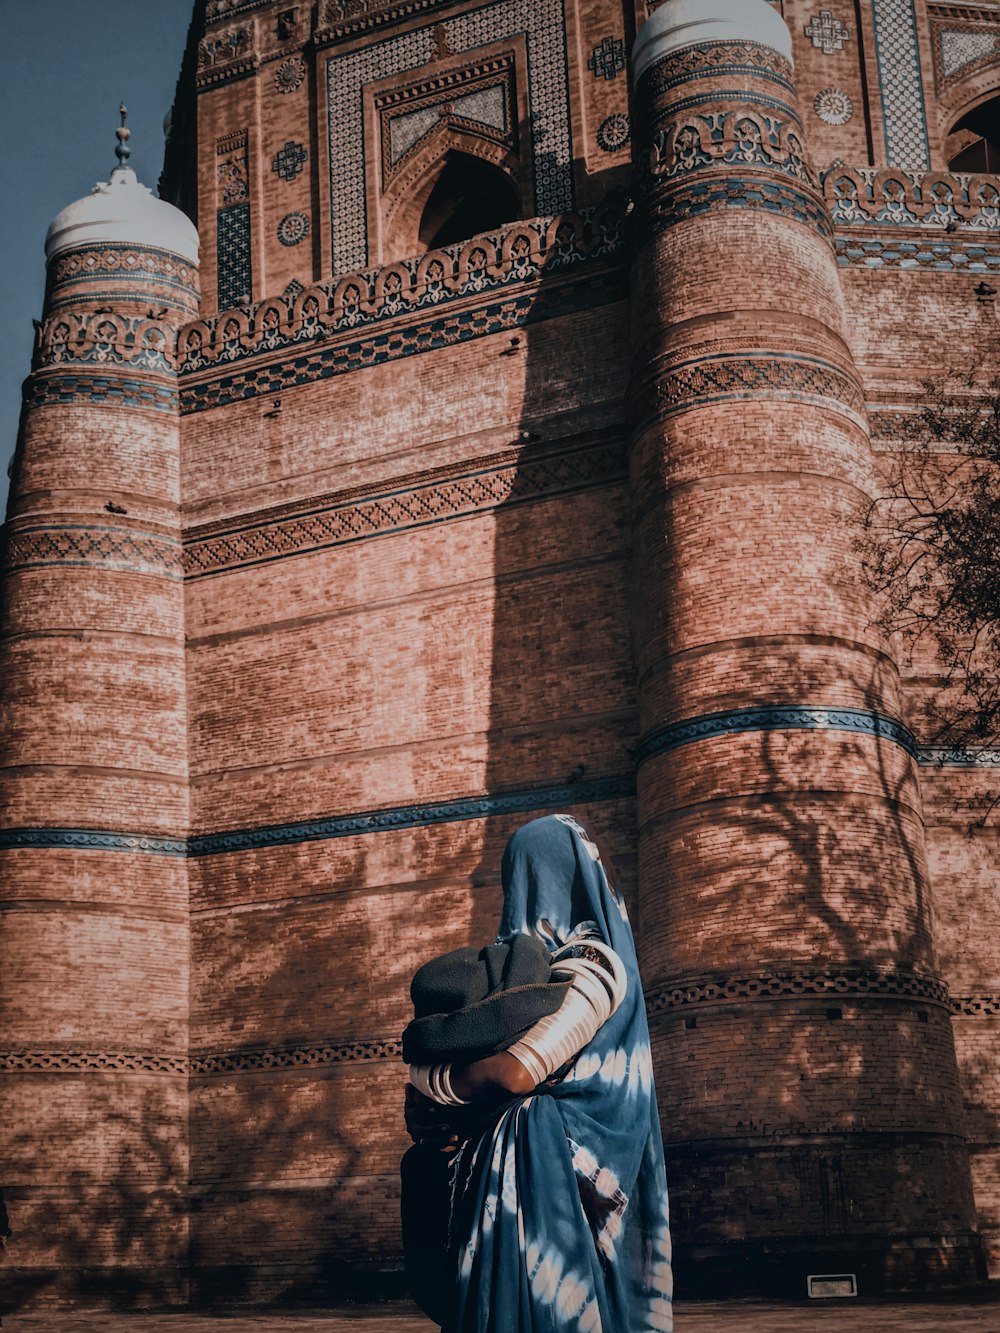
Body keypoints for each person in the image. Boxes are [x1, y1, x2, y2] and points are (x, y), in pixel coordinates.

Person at [402, 813, 673, 1332]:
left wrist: (433, 1084)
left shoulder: (592, 961)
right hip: (520, 1172)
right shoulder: (522, 976)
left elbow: (513, 1075)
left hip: (556, 1179)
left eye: (527, 874)